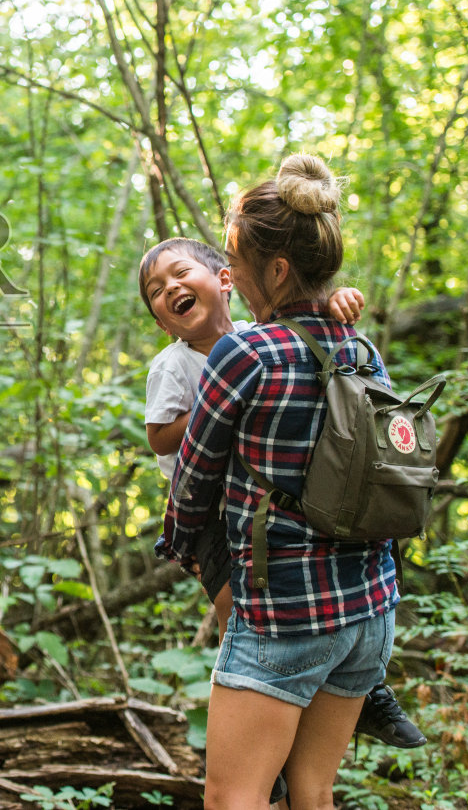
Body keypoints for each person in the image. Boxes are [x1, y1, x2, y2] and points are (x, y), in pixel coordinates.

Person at [155, 154, 403, 810]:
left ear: (278, 270)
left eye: (232, 258)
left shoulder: (246, 353)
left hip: (286, 615)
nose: (226, 274)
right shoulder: (361, 348)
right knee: (312, 791)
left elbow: (192, 482)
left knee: (233, 797)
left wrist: (184, 548)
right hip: (370, 610)